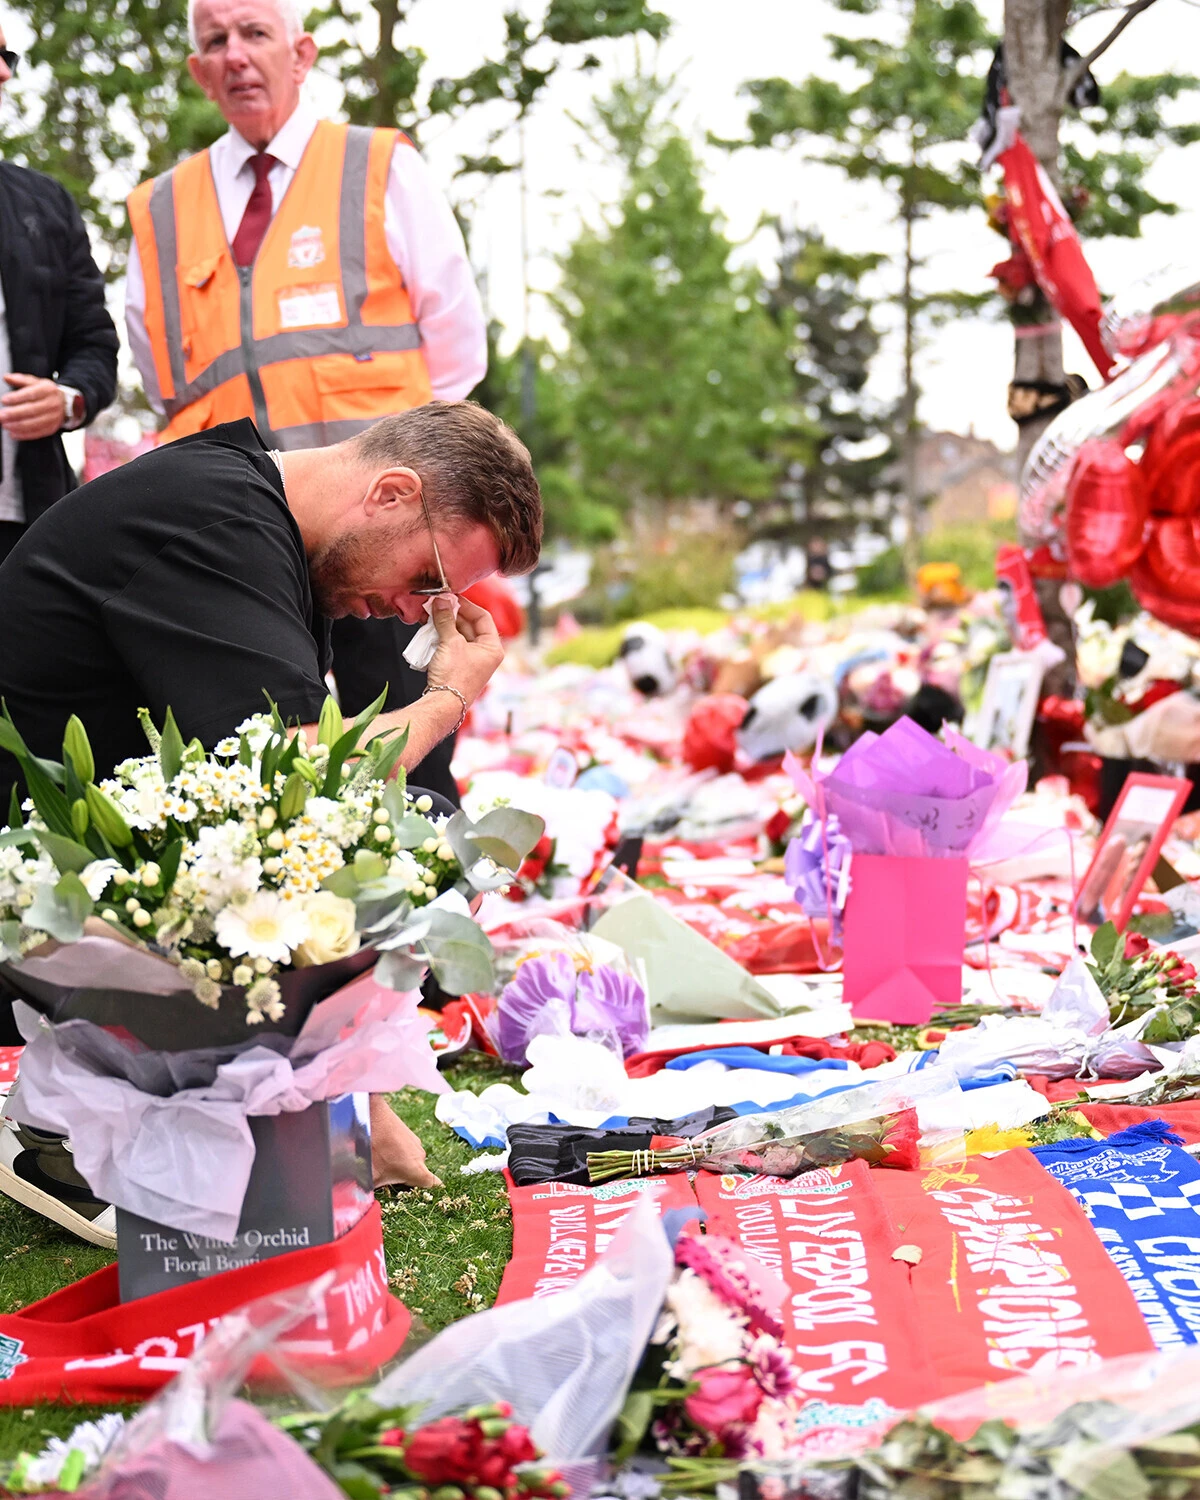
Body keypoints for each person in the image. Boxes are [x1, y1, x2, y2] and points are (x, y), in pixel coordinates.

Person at [0, 401, 542, 1237]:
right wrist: (450, 695)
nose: (415, 612)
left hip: (69, 870)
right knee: (415, 839)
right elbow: (296, 777)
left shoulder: (256, 520)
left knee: (403, 825)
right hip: (31, 892)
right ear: (392, 492)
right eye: (430, 580)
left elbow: (290, 796)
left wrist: (361, 1112)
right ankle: (68, 1119)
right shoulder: (215, 520)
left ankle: (148, 1096)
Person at [124, 0, 489, 799]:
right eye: (215, 41)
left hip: (381, 535)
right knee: (246, 752)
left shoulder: (380, 168)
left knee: (406, 742)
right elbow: (159, 377)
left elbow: (457, 351)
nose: (236, 55)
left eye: (255, 33)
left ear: (302, 54)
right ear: (199, 73)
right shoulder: (159, 211)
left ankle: (427, 908)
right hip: (230, 543)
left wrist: (413, 493)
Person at [0, 24, 118, 566]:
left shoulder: (45, 205)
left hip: (26, 524)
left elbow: (96, 348)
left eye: (7, 55)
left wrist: (66, 400)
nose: (4, 71)